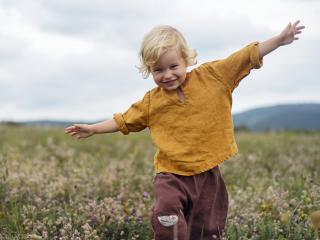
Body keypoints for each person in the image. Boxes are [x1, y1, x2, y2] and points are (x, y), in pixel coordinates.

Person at [65, 20, 305, 240]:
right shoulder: (152, 101)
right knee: (165, 212)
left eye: (173, 66)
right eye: (158, 70)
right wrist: (93, 129)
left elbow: (245, 56)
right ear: (149, 70)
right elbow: (124, 120)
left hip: (207, 172)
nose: (167, 75)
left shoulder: (213, 76)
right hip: (171, 174)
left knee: (206, 229)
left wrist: (279, 40)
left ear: (186, 60)